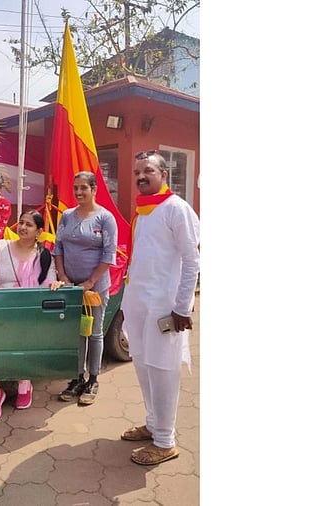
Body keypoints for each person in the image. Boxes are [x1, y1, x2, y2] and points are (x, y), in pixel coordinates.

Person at [119, 150, 200, 466]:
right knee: (144, 366)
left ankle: (165, 441)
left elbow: (193, 261)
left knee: (164, 370)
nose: (140, 176)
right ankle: (154, 424)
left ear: (163, 174)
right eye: (137, 171)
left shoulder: (176, 209)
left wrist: (183, 307)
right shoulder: (143, 211)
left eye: (148, 170)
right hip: (139, 304)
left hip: (165, 308)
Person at [0, 210, 60, 421]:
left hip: (27, 312)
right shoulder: (2, 247)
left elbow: (49, 282)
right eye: (20, 223)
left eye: (28, 225)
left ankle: (24, 383)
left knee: (23, 348)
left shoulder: (44, 255)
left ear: (39, 231)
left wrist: (56, 284)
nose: (22, 227)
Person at [53, 171, 118, 405]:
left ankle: (93, 379)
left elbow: (109, 255)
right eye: (76, 188)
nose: (79, 192)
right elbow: (58, 247)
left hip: (94, 289)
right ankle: (77, 378)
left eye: (84, 188)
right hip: (71, 288)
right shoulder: (67, 216)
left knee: (94, 332)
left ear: (94, 189)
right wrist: (62, 276)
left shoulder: (105, 218)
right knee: (77, 332)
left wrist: (90, 282)